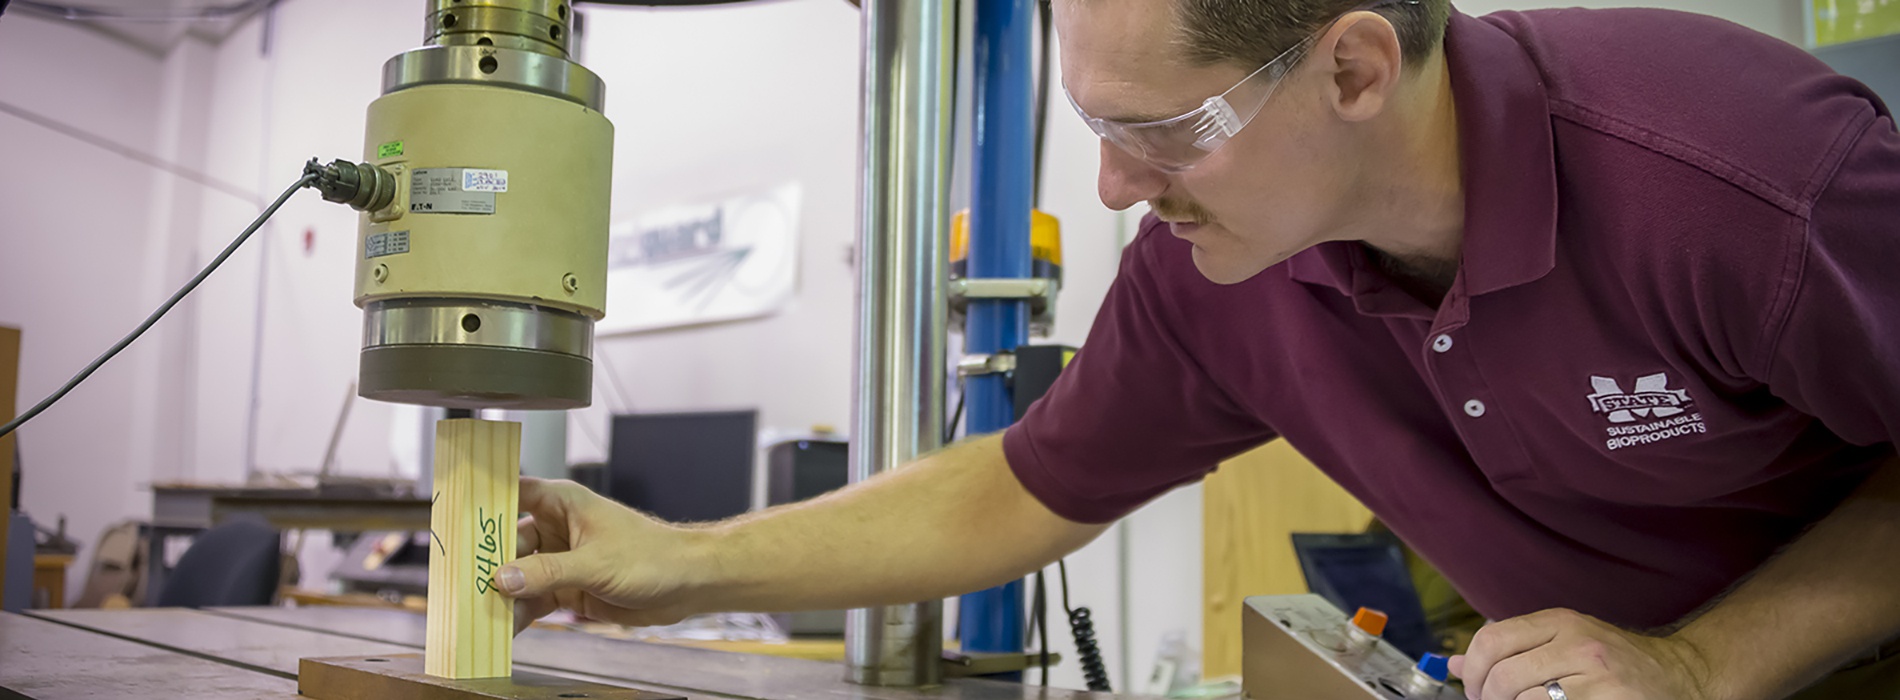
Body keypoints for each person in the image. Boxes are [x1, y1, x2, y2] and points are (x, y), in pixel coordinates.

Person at [497, 1, 1900, 698]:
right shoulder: (1217, 265)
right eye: (1095, 127)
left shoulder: (1745, 178)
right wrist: (679, 566)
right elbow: (1022, 486)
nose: (1114, 187)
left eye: (1155, 132)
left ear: (1351, 70)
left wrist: (1705, 668)